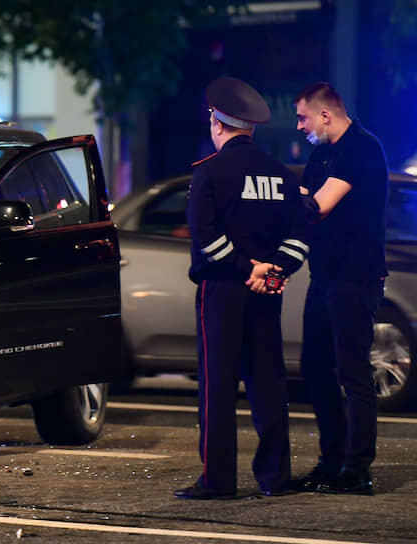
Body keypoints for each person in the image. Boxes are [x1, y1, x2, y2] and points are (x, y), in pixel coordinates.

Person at [175, 77, 310, 500]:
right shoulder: (282, 176)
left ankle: (218, 480)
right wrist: (270, 272)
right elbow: (300, 236)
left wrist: (242, 268)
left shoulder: (210, 173)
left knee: (218, 385)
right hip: (267, 293)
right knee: (269, 382)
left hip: (222, 291)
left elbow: (204, 235)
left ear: (217, 122)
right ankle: (274, 476)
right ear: (251, 127)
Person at [292, 82, 388, 496]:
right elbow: (305, 199)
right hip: (325, 275)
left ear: (324, 115)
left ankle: (357, 468)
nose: (299, 127)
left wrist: (278, 196)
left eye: (302, 117)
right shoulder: (322, 153)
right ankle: (331, 461)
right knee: (315, 368)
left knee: (353, 373)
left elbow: (318, 204)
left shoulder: (360, 148)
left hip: (355, 277)